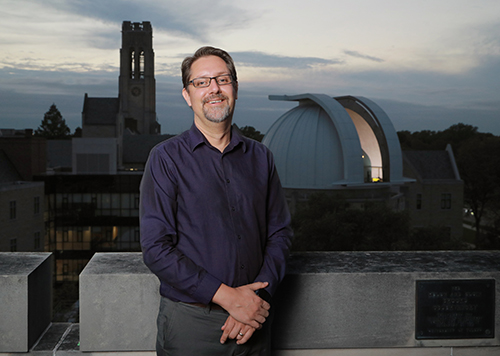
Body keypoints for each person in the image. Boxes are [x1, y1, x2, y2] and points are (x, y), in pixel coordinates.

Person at [140, 46, 292, 356]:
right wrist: (228, 297)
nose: (214, 89)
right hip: (191, 325)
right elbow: (156, 248)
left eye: (222, 79)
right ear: (187, 95)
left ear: (235, 88)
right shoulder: (165, 159)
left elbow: (280, 234)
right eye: (202, 82)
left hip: (255, 320)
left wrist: (255, 300)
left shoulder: (261, 157)